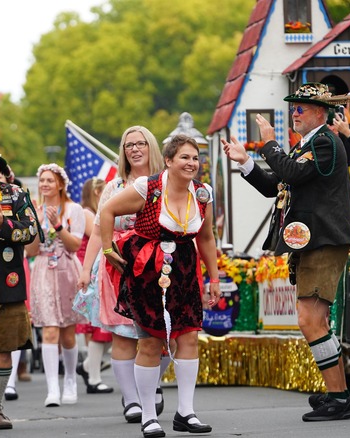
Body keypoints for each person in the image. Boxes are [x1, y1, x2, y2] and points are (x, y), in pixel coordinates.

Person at [221, 83, 350, 422]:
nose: (294, 113)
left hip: (323, 239)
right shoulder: (309, 145)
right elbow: (276, 185)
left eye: (300, 107)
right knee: (315, 320)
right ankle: (339, 395)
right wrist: (247, 162)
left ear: (320, 113)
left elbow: (292, 173)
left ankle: (340, 398)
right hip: (316, 240)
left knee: (309, 319)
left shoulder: (325, 141)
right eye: (293, 107)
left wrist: (268, 142)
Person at [101, 134, 221, 438]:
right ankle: (149, 416)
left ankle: (186, 412)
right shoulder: (148, 187)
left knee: (189, 337)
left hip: (183, 268)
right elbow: (106, 211)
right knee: (151, 342)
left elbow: (205, 238)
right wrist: (107, 250)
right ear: (168, 160)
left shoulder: (203, 193)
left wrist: (214, 277)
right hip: (146, 268)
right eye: (184, 157)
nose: (191, 163)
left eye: (195, 158)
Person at [75, 126, 168, 424]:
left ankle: (151, 385)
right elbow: (99, 232)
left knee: (164, 333)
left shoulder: (166, 183)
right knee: (124, 335)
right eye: (129, 145)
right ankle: (131, 399)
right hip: (119, 266)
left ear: (151, 147)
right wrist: (86, 269)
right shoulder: (114, 188)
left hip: (157, 265)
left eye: (141, 143)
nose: (135, 149)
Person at [0, 147, 37, 430]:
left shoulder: (15, 194)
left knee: (3, 347)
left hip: (7, 282)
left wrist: (4, 225)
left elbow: (31, 231)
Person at [25, 164, 86, 407]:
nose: (45, 185)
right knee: (49, 330)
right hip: (43, 269)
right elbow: (30, 251)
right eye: (42, 181)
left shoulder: (74, 209)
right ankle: (52, 388)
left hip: (67, 270)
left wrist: (58, 225)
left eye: (49, 180)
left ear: (60, 184)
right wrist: (38, 225)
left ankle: (70, 379)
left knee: (68, 333)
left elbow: (74, 246)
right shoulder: (34, 210)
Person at [74, 176, 115, 394]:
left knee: (109, 326)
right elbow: (100, 236)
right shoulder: (89, 214)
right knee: (99, 326)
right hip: (94, 270)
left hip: (103, 269)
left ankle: (89, 367)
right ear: (97, 192)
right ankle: (93, 375)